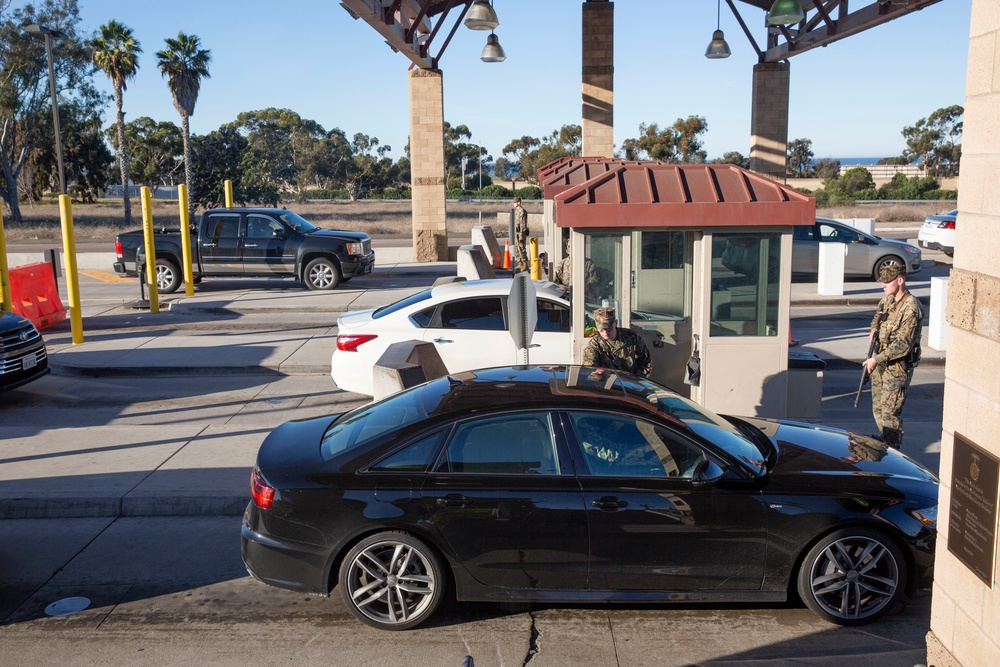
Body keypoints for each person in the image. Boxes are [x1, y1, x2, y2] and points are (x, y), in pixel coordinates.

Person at [861, 264, 924, 449]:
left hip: (897, 367)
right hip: (880, 363)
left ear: (900, 280)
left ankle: (894, 451)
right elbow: (877, 317)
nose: (883, 285)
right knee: (878, 409)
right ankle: (885, 444)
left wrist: (875, 359)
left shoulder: (911, 307)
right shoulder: (887, 301)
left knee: (890, 414)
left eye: (887, 281)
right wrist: (874, 328)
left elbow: (903, 345)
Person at [583, 307, 652, 378]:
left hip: (631, 384)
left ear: (616, 323)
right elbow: (589, 370)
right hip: (607, 386)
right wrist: (601, 374)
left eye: (609, 328)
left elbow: (646, 362)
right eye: (601, 329)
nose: (605, 333)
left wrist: (637, 379)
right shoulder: (595, 345)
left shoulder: (631, 337)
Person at [512, 197, 529, 272]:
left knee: (522, 248)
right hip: (517, 232)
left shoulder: (522, 211)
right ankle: (520, 262)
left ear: (518, 202)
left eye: (515, 202)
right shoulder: (516, 211)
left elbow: (523, 224)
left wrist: (521, 234)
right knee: (517, 248)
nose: (514, 204)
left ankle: (525, 264)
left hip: (521, 232)